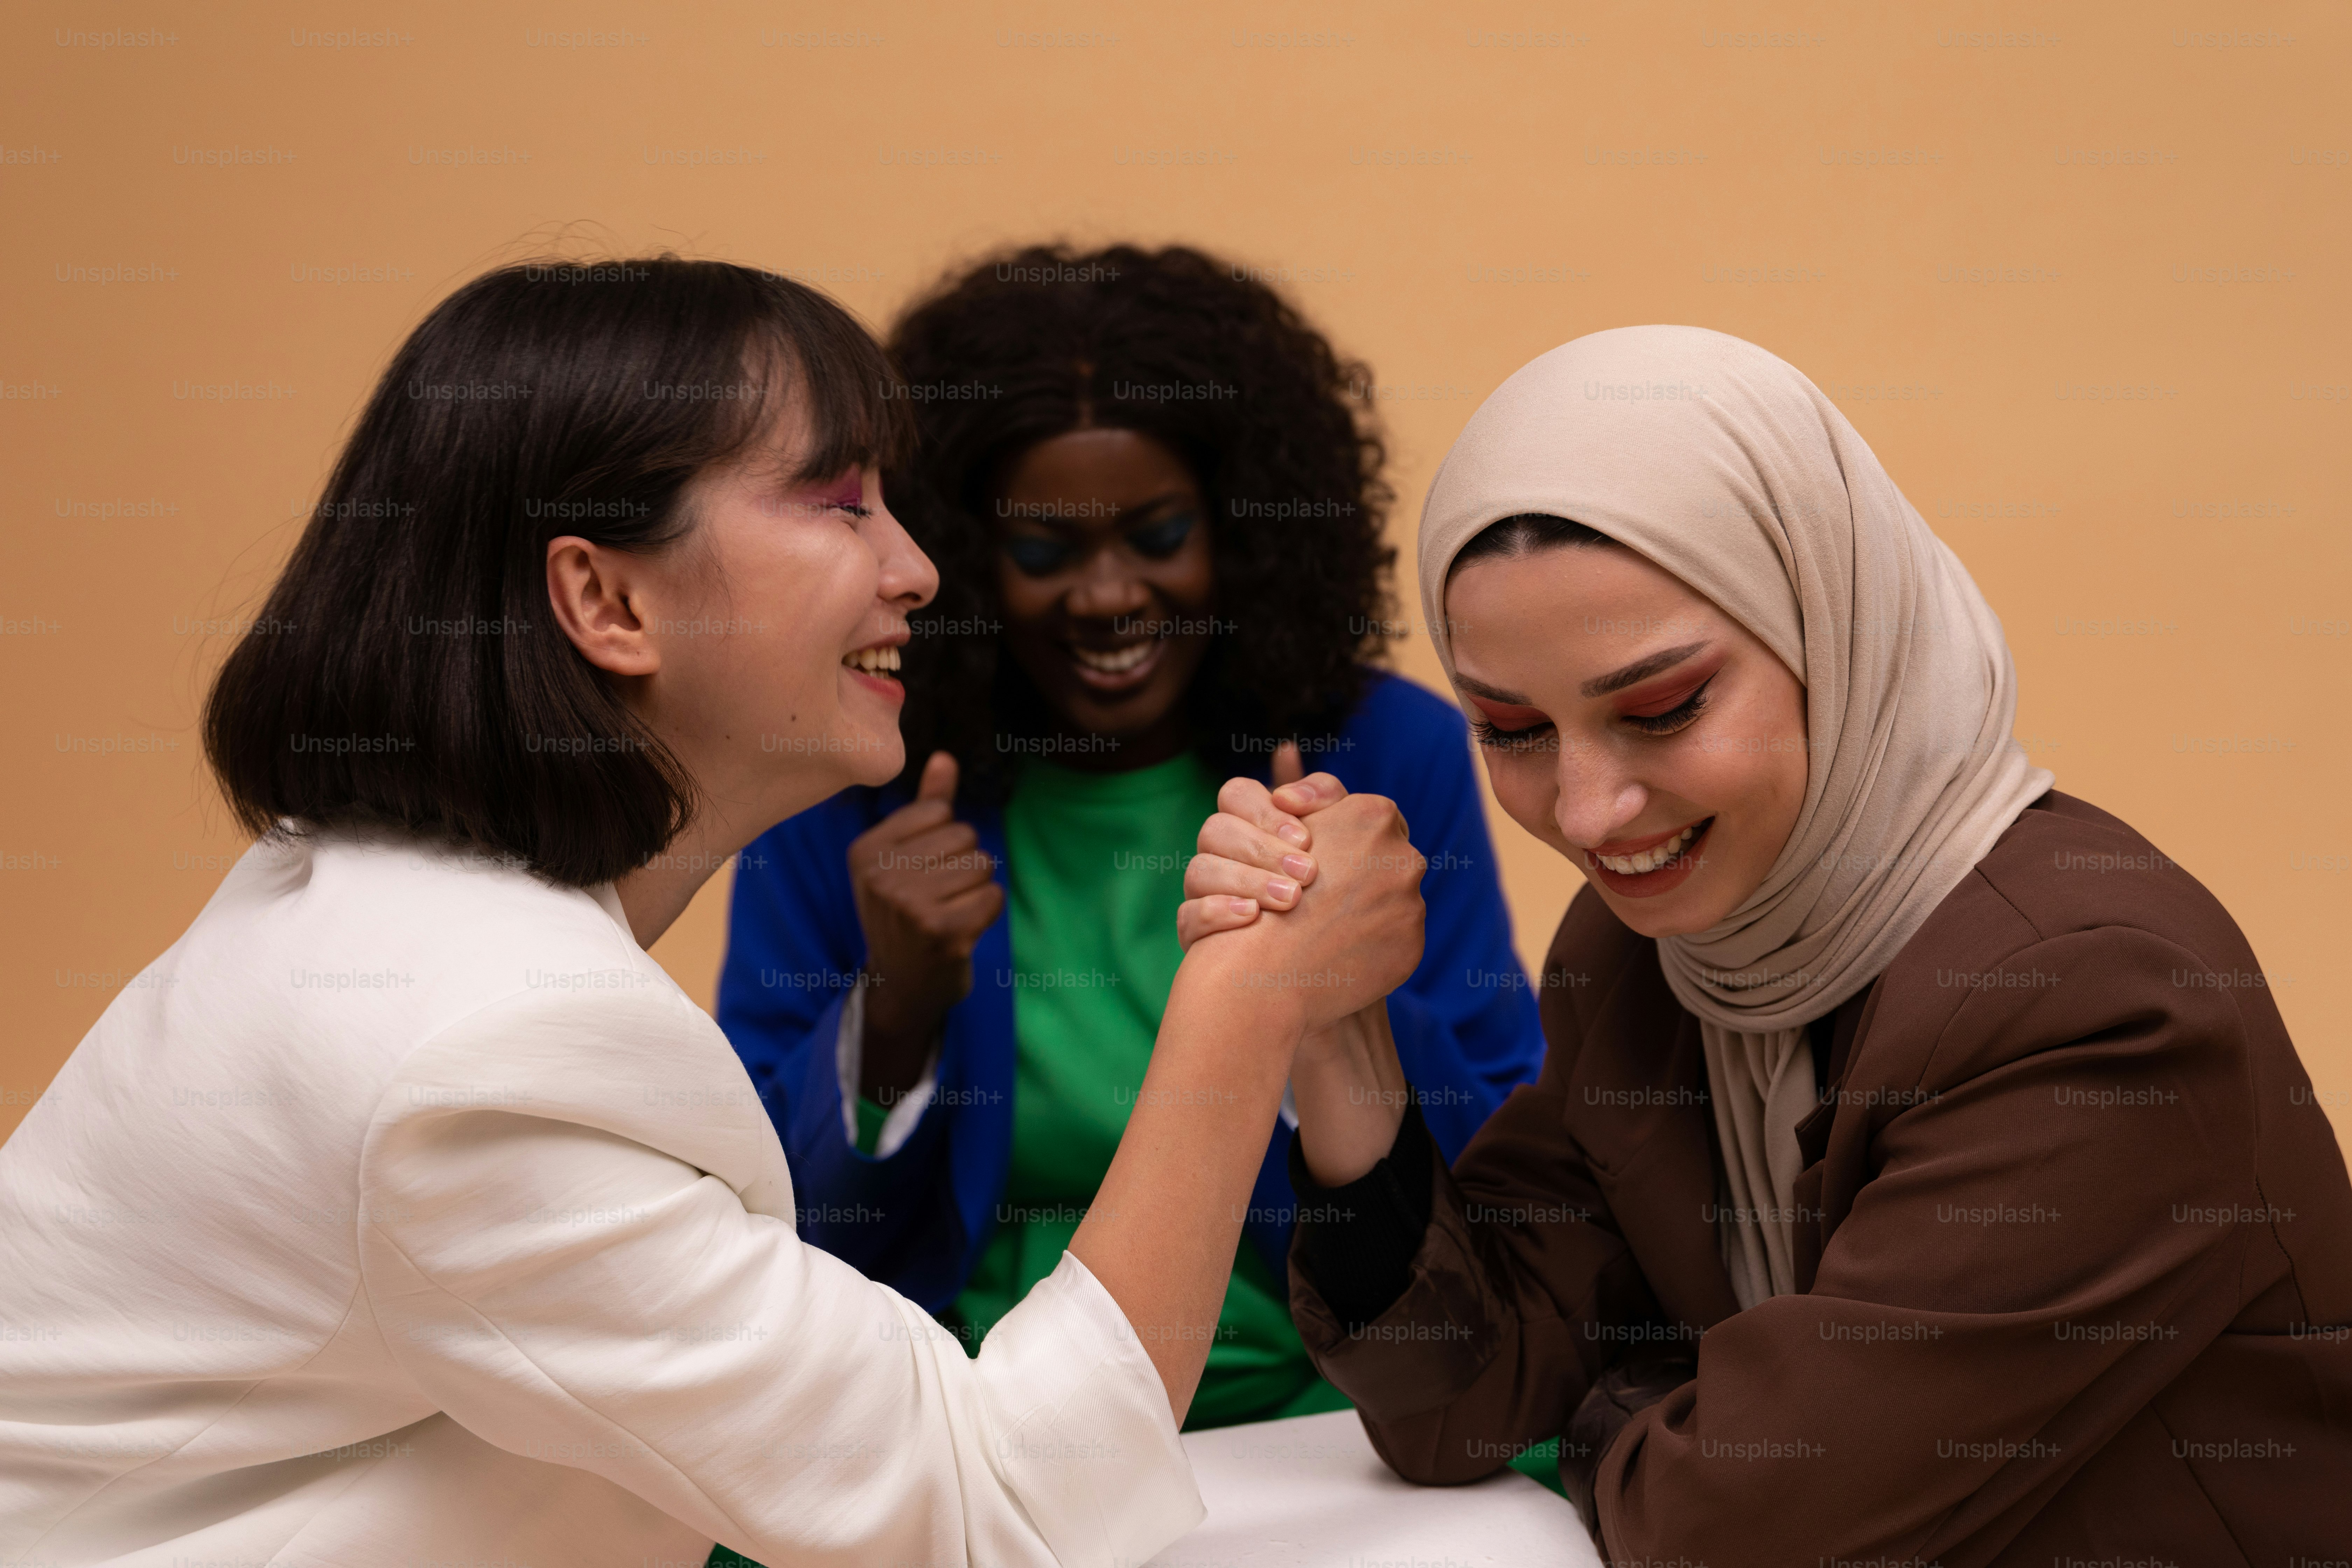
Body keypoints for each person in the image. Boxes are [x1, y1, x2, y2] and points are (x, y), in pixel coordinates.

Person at [0, 258, 1428, 1568]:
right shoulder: (480, 1062)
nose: (920, 569)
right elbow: (999, 1500)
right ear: (607, 603)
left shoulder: (369, 915)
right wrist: (1252, 997)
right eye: (838, 501)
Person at [1176, 326, 2352, 1562]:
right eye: (1513, 729)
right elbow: (1457, 1402)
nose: (1585, 814)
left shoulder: (2090, 999)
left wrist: (1613, 1417)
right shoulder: (1649, 951)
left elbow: (1736, 1531)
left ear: (1831, 633)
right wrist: (1336, 1029)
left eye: (1663, 706)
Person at [718, 244, 1544, 1428]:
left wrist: (1339, 995)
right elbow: (763, 1231)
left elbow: (1505, 1172)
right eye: (1047, 551)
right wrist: (889, 1017)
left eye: (1157, 536)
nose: (1107, 595)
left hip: (1325, 1430)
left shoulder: (1382, 755)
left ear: (1243, 538)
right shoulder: (856, 775)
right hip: (965, 1430)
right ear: (967, 555)